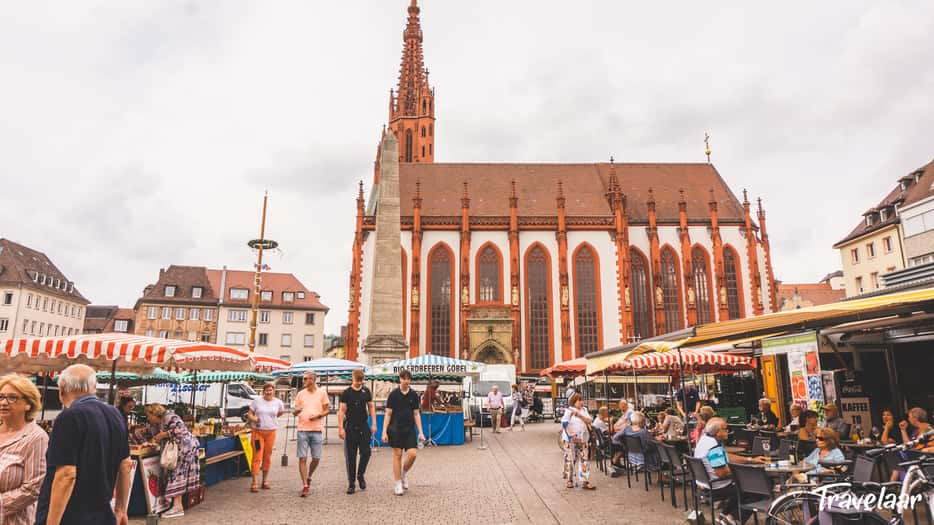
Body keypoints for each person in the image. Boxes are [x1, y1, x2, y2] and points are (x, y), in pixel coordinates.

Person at [35, 364, 133, 525]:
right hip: (103, 515)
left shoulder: (68, 417)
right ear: (93, 388)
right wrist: (121, 510)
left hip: (70, 516)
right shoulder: (115, 414)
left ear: (62, 390)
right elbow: (125, 465)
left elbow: (66, 474)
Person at [693, 417, 768, 524]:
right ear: (718, 432)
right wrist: (744, 472)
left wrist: (750, 460)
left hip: (705, 484)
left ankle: (725, 515)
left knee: (744, 485)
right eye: (725, 428)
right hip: (717, 486)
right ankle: (733, 518)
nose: (728, 431)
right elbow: (722, 473)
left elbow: (726, 456)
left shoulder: (705, 439)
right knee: (758, 488)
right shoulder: (713, 446)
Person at [0, 374, 48, 525]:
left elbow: (33, 489)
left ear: (28, 404)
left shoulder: (36, 438)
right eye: (1, 396)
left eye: (12, 398)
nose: (3, 402)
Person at [144, 403, 199, 518]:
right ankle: (176, 505)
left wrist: (163, 435)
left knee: (177, 475)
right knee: (175, 474)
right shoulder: (157, 422)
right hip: (178, 449)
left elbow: (180, 431)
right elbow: (152, 434)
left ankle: (177, 507)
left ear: (154, 414)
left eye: (149, 415)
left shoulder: (169, 417)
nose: (148, 418)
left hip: (184, 448)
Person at [382, 369, 425, 496]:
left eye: (408, 379)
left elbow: (416, 414)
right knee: (398, 455)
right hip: (395, 428)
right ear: (400, 379)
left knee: (412, 454)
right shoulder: (393, 395)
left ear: (410, 380)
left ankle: (403, 473)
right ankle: (397, 484)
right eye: (403, 378)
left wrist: (421, 432)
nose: (406, 381)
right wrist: (384, 431)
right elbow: (388, 413)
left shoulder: (413, 395)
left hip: (409, 429)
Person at [338, 368, 377, 494]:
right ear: (353, 378)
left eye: (361, 381)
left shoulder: (366, 391)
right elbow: (342, 411)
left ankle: (360, 474)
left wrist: (374, 424)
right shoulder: (346, 393)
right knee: (351, 456)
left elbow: (371, 407)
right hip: (350, 426)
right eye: (357, 380)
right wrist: (340, 428)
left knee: (366, 452)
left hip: (363, 425)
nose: (359, 383)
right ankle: (351, 483)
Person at [292, 371, 330, 497]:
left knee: (316, 458)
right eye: (303, 379)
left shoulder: (322, 393)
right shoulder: (300, 394)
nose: (303, 381)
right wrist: (296, 412)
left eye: (306, 379)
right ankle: (305, 485)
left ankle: (309, 476)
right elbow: (295, 411)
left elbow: (327, 410)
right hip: (302, 429)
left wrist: (318, 416)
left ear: (313, 380)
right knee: (302, 458)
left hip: (316, 429)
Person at [246, 382, 285, 492]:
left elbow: (280, 412)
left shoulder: (278, 402)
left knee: (267, 457)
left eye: (270, 390)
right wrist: (254, 419)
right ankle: (254, 482)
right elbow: (249, 414)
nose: (268, 392)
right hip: (258, 433)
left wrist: (271, 419)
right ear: (263, 391)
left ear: (274, 391)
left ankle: (265, 481)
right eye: (266, 390)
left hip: (271, 432)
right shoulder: (257, 401)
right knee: (257, 456)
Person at [561, 393, 595, 490]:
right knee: (570, 459)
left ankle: (585, 481)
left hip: (583, 439)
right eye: (579, 400)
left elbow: (589, 421)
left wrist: (580, 416)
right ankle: (569, 480)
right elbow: (564, 423)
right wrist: (572, 434)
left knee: (584, 460)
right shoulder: (569, 410)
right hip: (571, 439)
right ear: (574, 402)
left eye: (582, 400)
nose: (581, 402)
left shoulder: (584, 410)